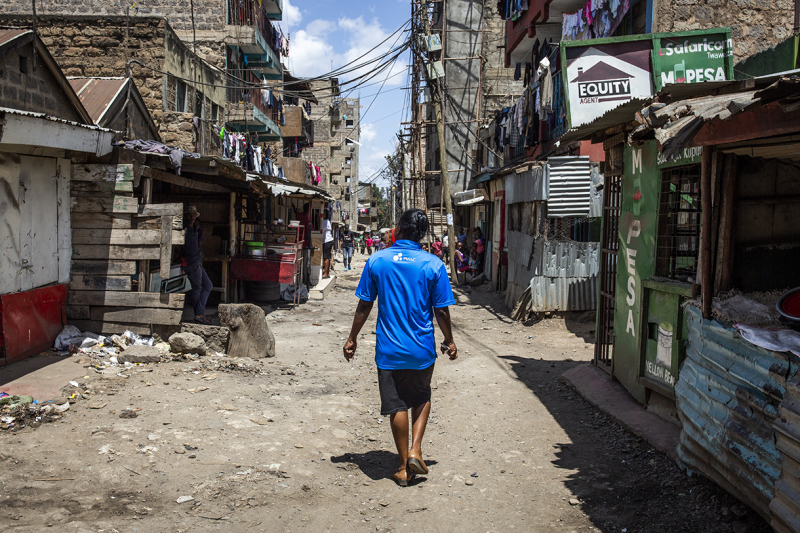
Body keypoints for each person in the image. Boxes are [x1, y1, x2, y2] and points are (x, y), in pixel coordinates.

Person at [343, 209, 458, 487]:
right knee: (420, 397)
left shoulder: (377, 260)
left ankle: (404, 466)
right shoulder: (433, 264)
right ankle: (416, 449)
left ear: (398, 229)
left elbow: (364, 305)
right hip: (421, 348)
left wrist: (352, 338)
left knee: (397, 405)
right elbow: (441, 311)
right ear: (423, 234)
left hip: (389, 349)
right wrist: (449, 340)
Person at [182, 206, 213, 325]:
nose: (192, 217)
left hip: (197, 262)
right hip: (191, 263)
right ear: (186, 216)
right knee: (197, 288)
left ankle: (199, 312)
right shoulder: (185, 229)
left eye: (194, 215)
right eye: (190, 215)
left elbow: (198, 245)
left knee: (208, 285)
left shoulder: (195, 228)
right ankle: (198, 314)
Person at [322, 210, 334, 279]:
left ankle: (326, 273)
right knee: (327, 257)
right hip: (328, 240)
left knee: (326, 257)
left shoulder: (325, 221)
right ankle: (327, 272)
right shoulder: (327, 221)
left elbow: (321, 230)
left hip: (327, 241)